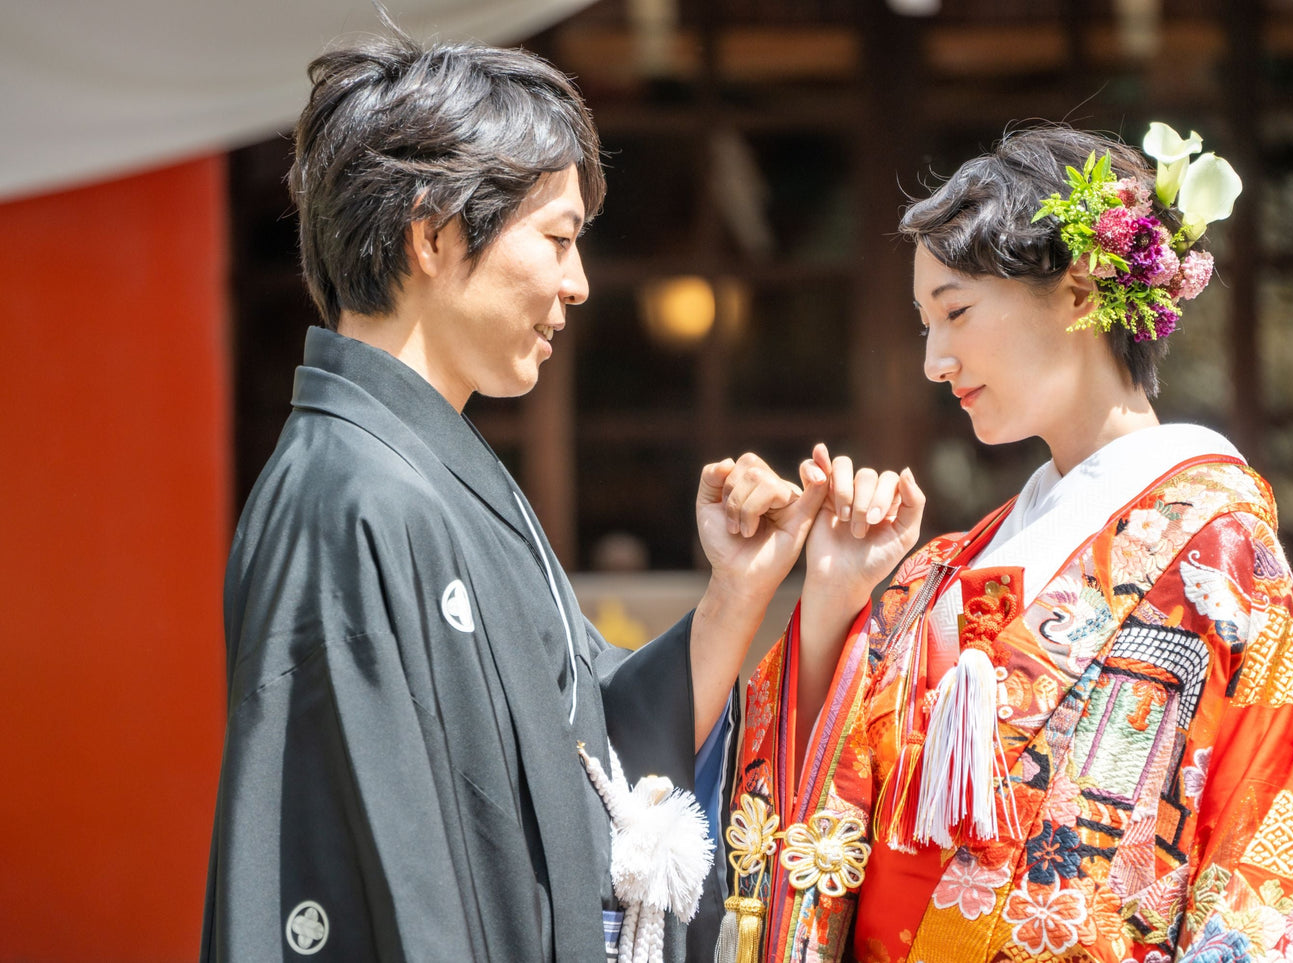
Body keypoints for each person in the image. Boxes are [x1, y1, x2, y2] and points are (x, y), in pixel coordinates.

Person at [201, 29, 832, 963]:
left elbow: (589, 737)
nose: (576, 284)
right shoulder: (349, 495)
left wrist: (738, 588)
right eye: (558, 239)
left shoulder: (422, 474)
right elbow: (362, 869)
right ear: (433, 233)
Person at [715, 125, 1293, 963]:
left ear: (1078, 292)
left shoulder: (1219, 548)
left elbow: (1276, 845)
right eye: (924, 323)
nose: (933, 358)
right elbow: (827, 782)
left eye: (954, 311)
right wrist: (834, 599)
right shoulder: (943, 565)